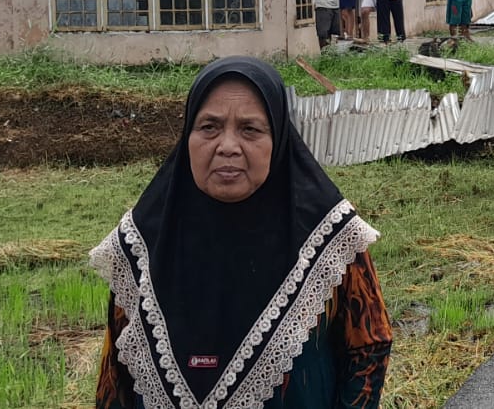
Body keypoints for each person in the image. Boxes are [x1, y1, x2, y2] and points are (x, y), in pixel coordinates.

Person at [92, 56, 391, 408]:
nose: (228, 146)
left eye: (250, 129)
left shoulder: (329, 237)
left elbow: (369, 346)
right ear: (187, 134)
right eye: (209, 127)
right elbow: (115, 374)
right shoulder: (142, 242)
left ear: (278, 138)